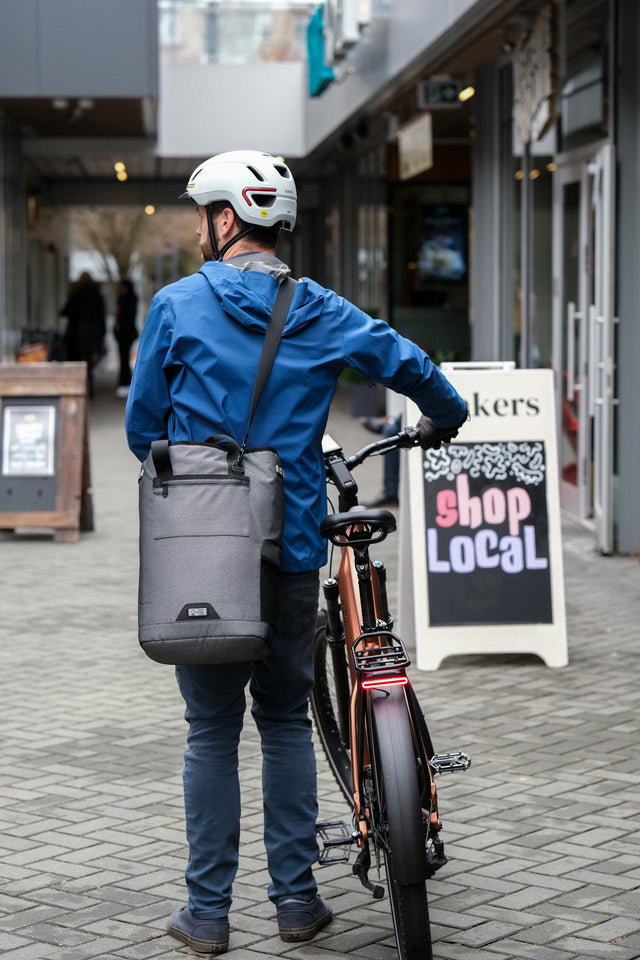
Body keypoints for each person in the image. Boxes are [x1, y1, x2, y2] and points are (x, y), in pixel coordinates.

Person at [124, 150, 468, 955]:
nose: (202, 228)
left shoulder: (175, 306)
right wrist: (447, 414)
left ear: (226, 221)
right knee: (281, 720)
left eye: (204, 215)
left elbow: (144, 431)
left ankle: (207, 917)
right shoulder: (318, 308)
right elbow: (412, 366)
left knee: (209, 731)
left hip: (201, 551)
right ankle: (296, 903)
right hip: (291, 547)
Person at [60, 272, 106, 397]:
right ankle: (88, 391)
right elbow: (101, 319)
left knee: (76, 365)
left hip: (76, 336)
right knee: (88, 366)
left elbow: (66, 312)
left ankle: (76, 391)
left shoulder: (75, 294)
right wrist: (101, 338)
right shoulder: (97, 296)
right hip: (92, 336)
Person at [114, 278, 138, 397]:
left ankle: (125, 383)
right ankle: (125, 383)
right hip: (124, 333)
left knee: (124, 359)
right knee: (124, 359)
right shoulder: (126, 299)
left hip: (126, 333)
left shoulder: (128, 300)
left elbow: (125, 318)